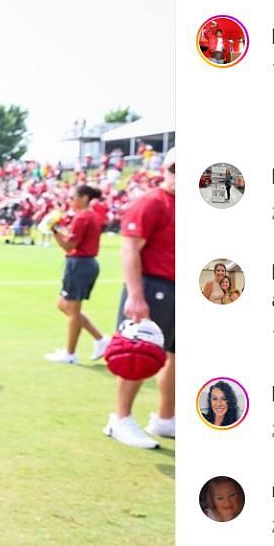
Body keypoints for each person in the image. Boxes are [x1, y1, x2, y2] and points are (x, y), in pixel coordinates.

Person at [104, 151, 177, 449]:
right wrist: (136, 295)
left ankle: (165, 418)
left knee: (175, 355)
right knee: (138, 353)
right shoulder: (151, 202)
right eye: (176, 168)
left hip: (180, 287)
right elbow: (129, 249)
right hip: (151, 285)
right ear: (164, 169)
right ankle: (120, 418)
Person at [45, 184, 106, 364]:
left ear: (84, 198)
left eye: (73, 197)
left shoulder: (83, 217)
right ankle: (100, 339)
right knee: (64, 305)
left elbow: (68, 245)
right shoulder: (90, 215)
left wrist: (53, 230)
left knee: (72, 310)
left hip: (79, 264)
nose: (71, 201)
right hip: (83, 263)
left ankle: (70, 354)